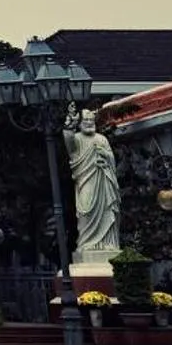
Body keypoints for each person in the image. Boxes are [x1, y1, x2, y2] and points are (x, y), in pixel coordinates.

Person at [63, 108, 121, 263]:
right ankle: (87, 243)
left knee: (106, 211)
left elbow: (111, 158)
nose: (89, 123)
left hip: (103, 180)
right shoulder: (77, 138)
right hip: (86, 180)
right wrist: (69, 126)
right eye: (85, 121)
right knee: (85, 211)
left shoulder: (102, 139)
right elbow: (69, 144)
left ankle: (107, 244)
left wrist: (105, 156)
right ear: (80, 123)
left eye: (91, 120)